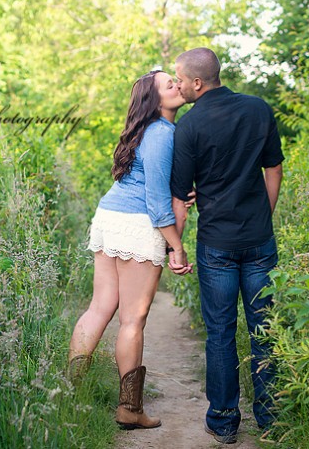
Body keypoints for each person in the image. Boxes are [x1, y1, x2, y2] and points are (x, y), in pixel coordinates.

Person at [169, 47, 284, 444]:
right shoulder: (258, 109)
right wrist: (263, 217)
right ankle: (271, 418)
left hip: (216, 243)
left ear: (197, 82)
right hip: (259, 241)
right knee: (264, 328)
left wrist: (176, 247)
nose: (178, 85)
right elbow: (274, 168)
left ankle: (223, 421)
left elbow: (180, 196)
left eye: (180, 79)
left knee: (220, 331)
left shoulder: (188, 126)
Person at [67, 70, 193, 430]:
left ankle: (71, 393)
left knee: (98, 308)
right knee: (132, 320)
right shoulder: (163, 134)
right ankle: (129, 409)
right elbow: (155, 200)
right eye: (169, 84)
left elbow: (153, 182)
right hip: (138, 224)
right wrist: (177, 247)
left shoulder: (146, 131)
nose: (177, 85)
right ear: (155, 100)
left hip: (110, 216)